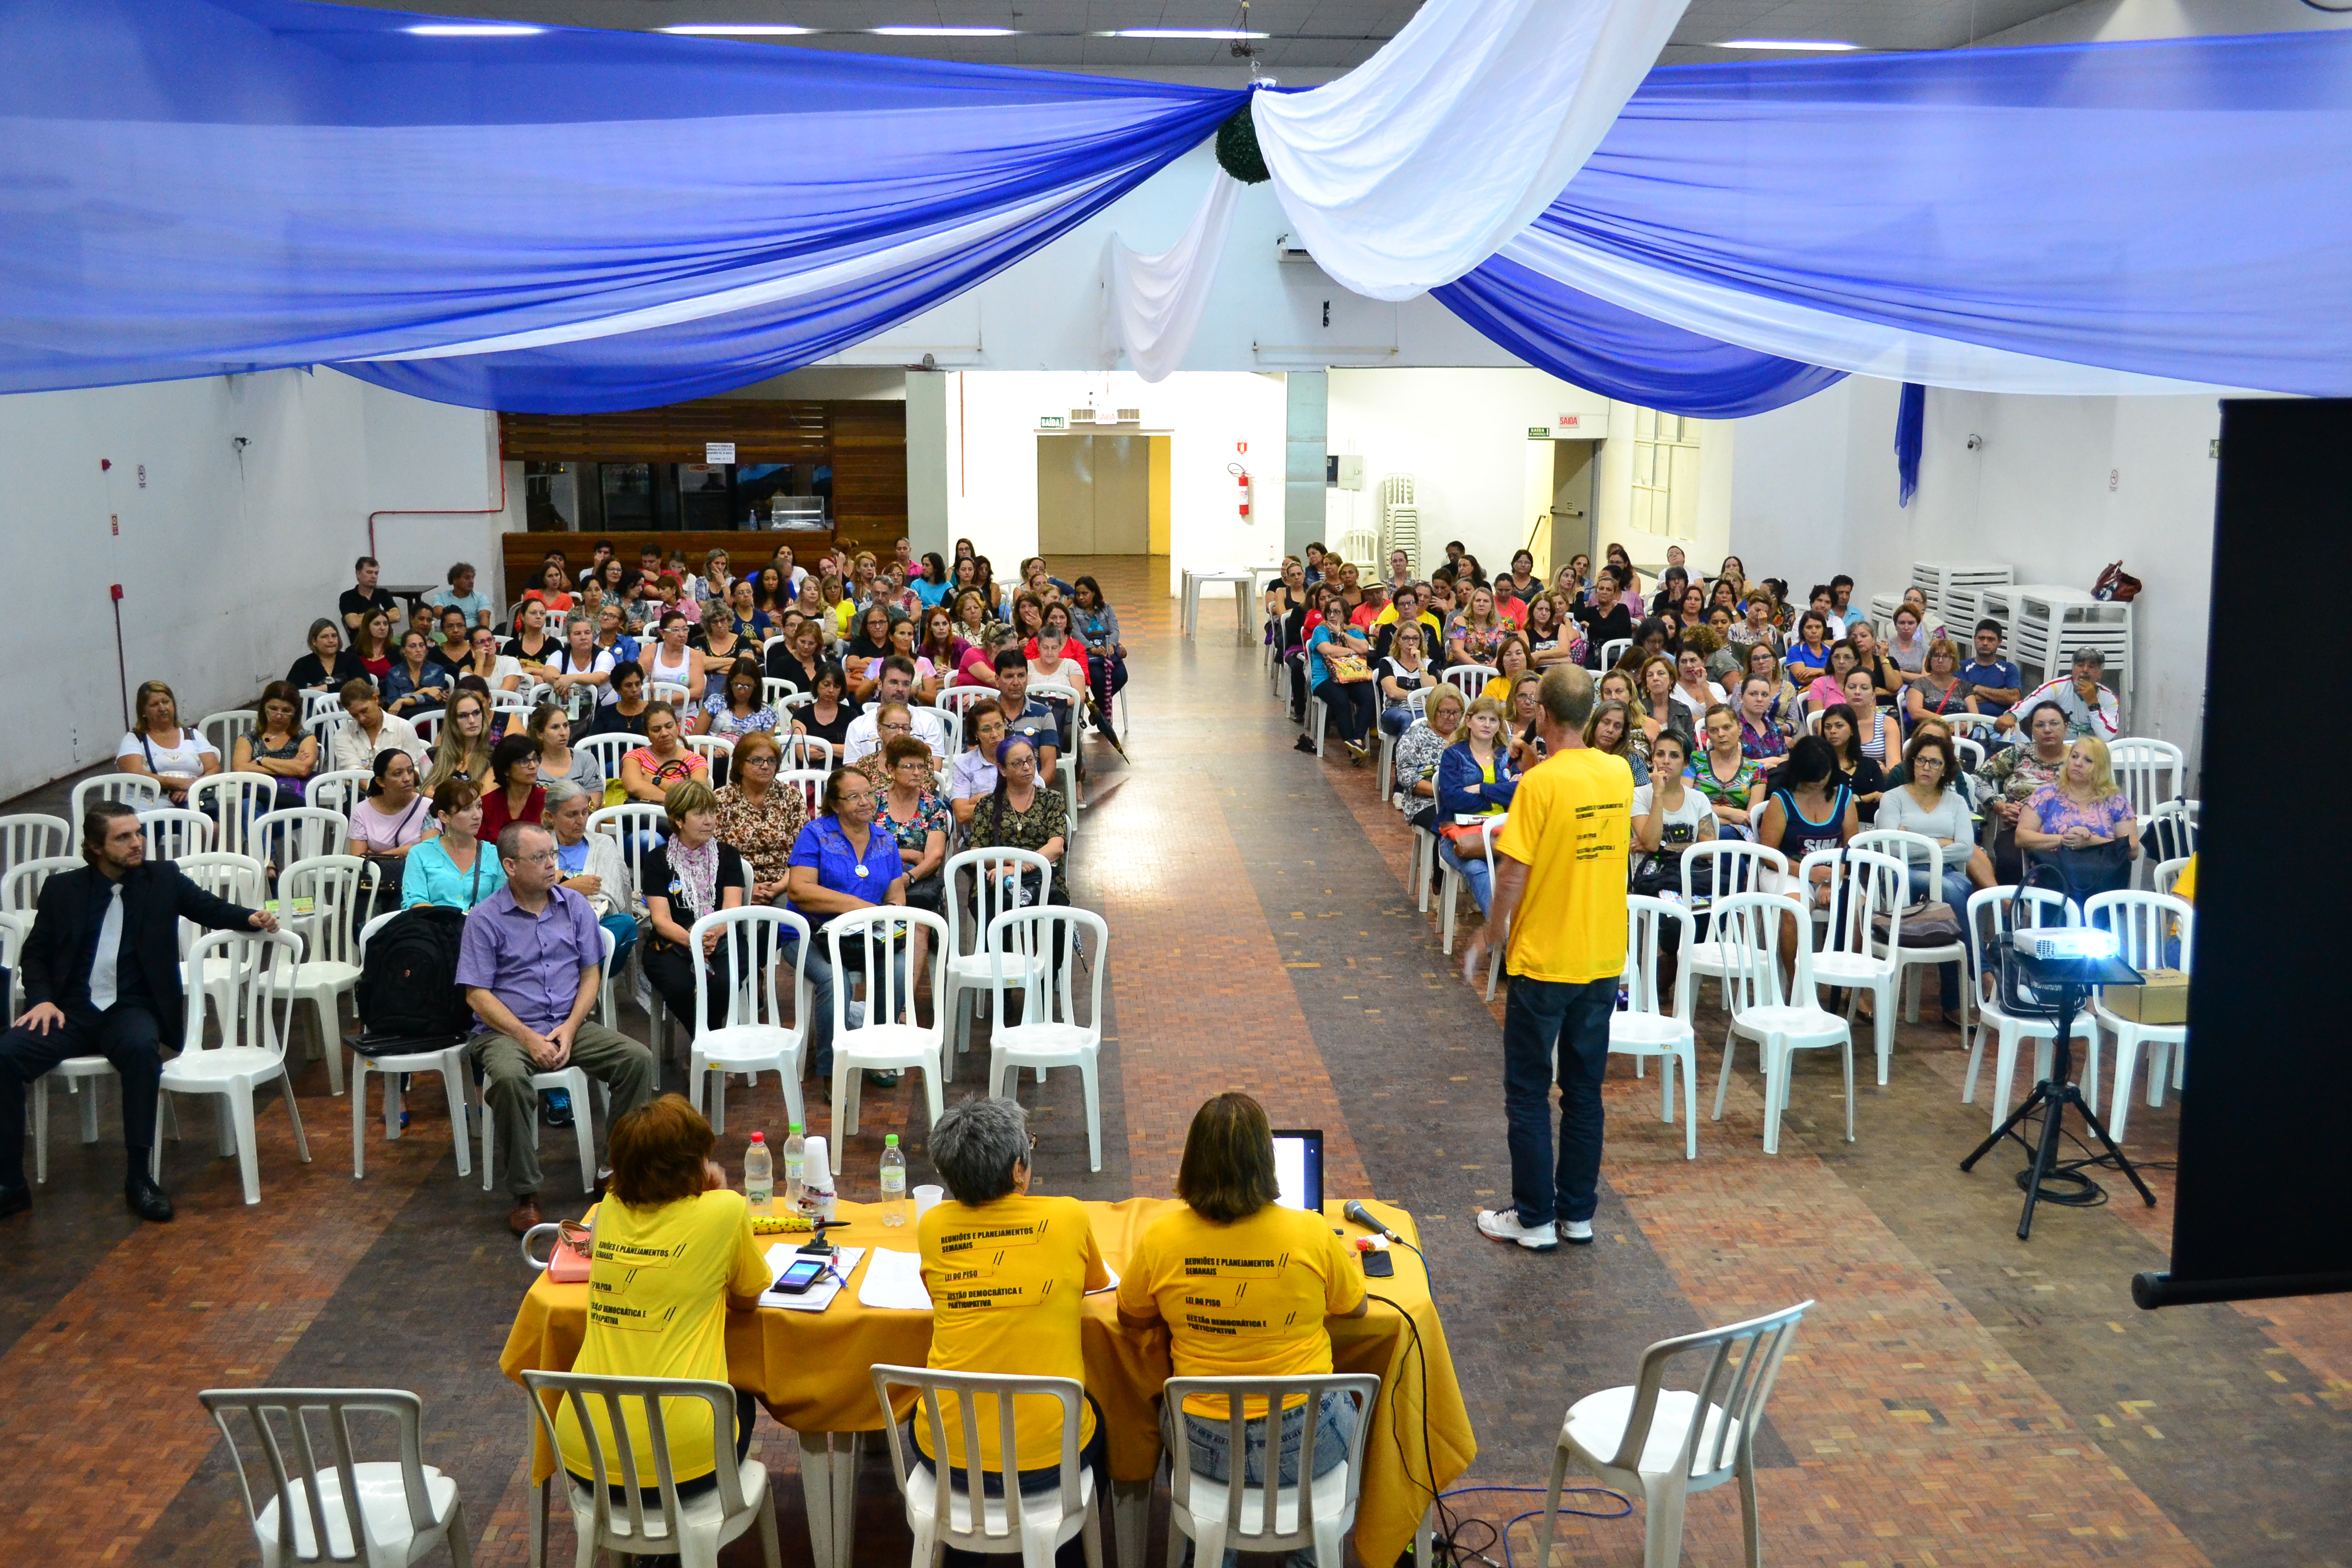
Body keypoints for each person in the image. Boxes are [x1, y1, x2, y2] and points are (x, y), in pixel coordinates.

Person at [0, 801, 280, 1222]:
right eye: (124, 837)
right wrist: (41, 999)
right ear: (95, 847)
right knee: (5, 1056)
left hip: (130, 1007)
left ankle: (140, 1177)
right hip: (69, 1011)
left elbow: (210, 908)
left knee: (140, 1051)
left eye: (138, 834)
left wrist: (254, 917)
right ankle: (10, 1184)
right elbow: (35, 954)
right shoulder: (63, 889)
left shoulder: (162, 878)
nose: (137, 844)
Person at [1117, 1092, 1367, 1502]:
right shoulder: (1312, 1232)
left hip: (1201, 1439)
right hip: (1309, 1436)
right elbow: (1356, 1309)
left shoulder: (1161, 1239)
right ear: (1265, 1161)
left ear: (1192, 1161)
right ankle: (1313, 1553)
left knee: (1204, 1481)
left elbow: (1130, 1317)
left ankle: (1216, 1548)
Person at [1469, 668, 1633, 1251]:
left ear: (1542, 716)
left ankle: (1534, 1219)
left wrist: (1489, 935)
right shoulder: (1616, 771)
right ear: (1591, 717)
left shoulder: (1538, 786)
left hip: (1545, 960)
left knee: (1529, 1091)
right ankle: (1577, 1215)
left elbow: (1513, 872)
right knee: (1585, 1092)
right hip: (1602, 955)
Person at [460, 821, 657, 1234]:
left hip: (568, 1024)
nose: (553, 864)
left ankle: (615, 1167)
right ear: (510, 866)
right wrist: (528, 1038)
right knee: (511, 1080)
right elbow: (477, 996)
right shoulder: (485, 919)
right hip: (506, 1032)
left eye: (552, 855)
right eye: (540, 858)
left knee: (636, 1059)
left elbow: (591, 974)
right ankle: (526, 1192)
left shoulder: (574, 906)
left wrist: (570, 1028)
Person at [915, 1096, 1111, 1489]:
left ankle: (960, 1546)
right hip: (1052, 1454)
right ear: (1018, 1171)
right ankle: (1067, 1549)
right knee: (1102, 1423)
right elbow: (1096, 1283)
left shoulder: (932, 1226)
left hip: (950, 1451)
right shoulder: (1069, 1215)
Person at [785, 767, 910, 1088]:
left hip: (864, 938)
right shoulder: (815, 834)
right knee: (835, 982)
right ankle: (832, 1067)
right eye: (853, 797)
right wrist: (860, 908)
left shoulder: (885, 840)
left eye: (868, 794)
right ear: (836, 804)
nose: (865, 802)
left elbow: (897, 896)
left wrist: (885, 915)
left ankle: (876, 1051)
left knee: (897, 969)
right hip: (813, 935)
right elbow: (800, 890)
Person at [1877, 729, 1991, 1021]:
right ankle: (1982, 974)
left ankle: (1957, 998)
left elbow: (1966, 850)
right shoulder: (1893, 798)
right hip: (1903, 877)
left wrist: (1914, 840)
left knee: (1953, 889)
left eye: (1935, 763)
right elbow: (1891, 848)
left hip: (1948, 873)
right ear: (1911, 762)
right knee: (1955, 894)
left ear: (1946, 768)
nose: (1926, 768)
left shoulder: (1956, 802)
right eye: (1920, 760)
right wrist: (1941, 844)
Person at [639, 780, 748, 1031]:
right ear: (678, 820)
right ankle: (709, 1044)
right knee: (679, 988)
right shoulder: (658, 859)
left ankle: (705, 1049)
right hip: (674, 941)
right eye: (700, 814)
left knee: (723, 984)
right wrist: (693, 940)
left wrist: (710, 936)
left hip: (721, 938)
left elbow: (732, 910)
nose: (709, 821)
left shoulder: (728, 855)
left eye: (712, 812)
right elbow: (661, 920)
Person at [544, 777, 635, 990]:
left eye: (585, 812)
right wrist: (570, 888)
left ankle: (571, 979)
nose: (581, 820)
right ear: (551, 816)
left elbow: (613, 897)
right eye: (571, 815)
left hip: (596, 928)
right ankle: (582, 981)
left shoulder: (603, 844)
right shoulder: (540, 847)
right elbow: (527, 896)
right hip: (552, 929)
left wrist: (556, 887)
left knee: (624, 925)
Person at [2017, 735, 2141, 889]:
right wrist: (2064, 840)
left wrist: (2092, 842)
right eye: (2074, 756)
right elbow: (2021, 837)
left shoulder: (2116, 801)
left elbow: (2133, 849)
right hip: (2052, 881)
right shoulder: (2046, 795)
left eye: (2088, 760)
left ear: (2101, 767)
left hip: (2103, 884)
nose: (2078, 763)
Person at [1435, 696, 1517, 925]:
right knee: (1477, 869)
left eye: (1493, 720)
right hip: (1462, 834)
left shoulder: (1507, 756)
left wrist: (1481, 789)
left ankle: (1522, 937)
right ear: (1469, 721)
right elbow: (1452, 799)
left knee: (1523, 869)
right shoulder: (1454, 755)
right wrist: (1497, 797)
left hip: (1501, 833)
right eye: (1481, 718)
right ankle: (1502, 939)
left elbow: (1521, 792)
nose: (1487, 724)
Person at [967, 735, 1070, 912]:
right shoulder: (988, 805)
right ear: (1003, 769)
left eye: (1030, 760)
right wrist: (1009, 862)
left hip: (1043, 877)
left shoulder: (1051, 799)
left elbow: (1056, 847)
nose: (1027, 767)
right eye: (1018, 763)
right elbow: (976, 855)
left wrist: (1019, 869)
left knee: (1054, 917)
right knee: (992, 912)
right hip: (998, 880)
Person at [1755, 737, 1858, 908]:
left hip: (1833, 870)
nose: (1818, 782)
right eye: (1812, 778)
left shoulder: (1844, 795)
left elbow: (1852, 848)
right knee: (1796, 908)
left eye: (1824, 775)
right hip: (1787, 870)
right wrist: (1808, 872)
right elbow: (1769, 854)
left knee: (1854, 906)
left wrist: (1832, 878)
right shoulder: (1782, 799)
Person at [876, 736, 949, 974]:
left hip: (918, 884)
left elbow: (934, 857)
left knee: (918, 924)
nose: (917, 772)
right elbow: (861, 849)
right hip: (876, 880)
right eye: (908, 766)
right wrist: (909, 853)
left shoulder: (933, 807)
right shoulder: (873, 802)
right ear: (891, 769)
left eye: (921, 766)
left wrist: (909, 878)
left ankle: (903, 1006)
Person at [710, 732, 804, 904]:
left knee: (785, 916)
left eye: (771, 760)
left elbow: (803, 853)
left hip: (784, 884)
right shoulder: (721, 799)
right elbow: (713, 855)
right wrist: (747, 888)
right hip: (733, 886)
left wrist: (779, 886)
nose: (766, 766)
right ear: (740, 766)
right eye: (757, 760)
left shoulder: (792, 797)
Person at [402, 778, 506, 912]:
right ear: (444, 816)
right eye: (466, 809)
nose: (477, 815)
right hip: (433, 928)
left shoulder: (494, 854)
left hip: (480, 929)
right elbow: (415, 903)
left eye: (479, 806)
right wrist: (454, 918)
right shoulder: (419, 854)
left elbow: (501, 904)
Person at [115, 679, 220, 807]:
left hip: (189, 801)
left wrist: (193, 786)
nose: (162, 708)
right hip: (148, 808)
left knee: (209, 825)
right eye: (154, 705)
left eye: (166, 702)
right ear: (143, 712)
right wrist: (179, 784)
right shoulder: (134, 740)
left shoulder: (193, 735)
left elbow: (214, 768)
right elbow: (136, 775)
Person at [1631, 730, 1714, 883]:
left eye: (1674, 756)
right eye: (1660, 754)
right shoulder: (1639, 795)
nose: (1666, 761)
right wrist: (1658, 794)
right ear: (1653, 759)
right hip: (1650, 879)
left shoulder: (1699, 798)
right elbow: (1651, 843)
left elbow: (1709, 850)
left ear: (1686, 763)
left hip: (1690, 876)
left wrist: (1664, 846)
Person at [1305, 587, 1377, 762]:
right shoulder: (1320, 631)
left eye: (1337, 612)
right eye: (1329, 612)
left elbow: (1365, 649)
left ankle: (1356, 740)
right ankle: (1354, 751)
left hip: (1352, 676)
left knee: (1369, 696)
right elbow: (1327, 650)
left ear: (1345, 615)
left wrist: (1341, 634)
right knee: (1341, 699)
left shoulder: (1353, 632)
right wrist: (1351, 650)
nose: (1332, 616)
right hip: (1325, 679)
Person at [226, 680, 315, 811]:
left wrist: (261, 761)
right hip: (258, 797)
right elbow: (240, 769)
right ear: (264, 708)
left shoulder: (306, 737)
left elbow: (303, 770)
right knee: (247, 806)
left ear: (295, 712)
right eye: (273, 709)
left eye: (286, 711)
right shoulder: (249, 738)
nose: (279, 715)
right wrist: (290, 766)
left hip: (292, 800)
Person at [841, 657, 948, 766]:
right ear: (880, 685)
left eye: (906, 684)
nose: (900, 689)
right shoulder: (858, 726)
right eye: (894, 683)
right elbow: (852, 773)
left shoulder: (928, 721)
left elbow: (934, 769)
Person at [2001, 648, 2121, 741]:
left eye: (2091, 667)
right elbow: (2033, 701)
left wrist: (2093, 703)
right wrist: (2012, 716)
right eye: (2080, 665)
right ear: (2073, 669)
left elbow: (2107, 736)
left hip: (2091, 754)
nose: (2085, 670)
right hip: (2059, 749)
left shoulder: (2110, 699)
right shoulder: (2058, 687)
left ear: (2099, 674)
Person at [351, 747, 433, 878]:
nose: (407, 778)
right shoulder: (362, 811)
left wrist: (377, 856)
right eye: (397, 774)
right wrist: (405, 851)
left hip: (419, 879)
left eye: (410, 771)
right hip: (377, 884)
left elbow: (430, 854)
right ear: (381, 781)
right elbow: (358, 863)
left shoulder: (428, 807)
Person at [1688, 704, 1765, 840]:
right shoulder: (1694, 761)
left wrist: (1711, 816)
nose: (1721, 734)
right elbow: (1685, 803)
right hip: (1696, 829)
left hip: (1738, 836)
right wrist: (1730, 814)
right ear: (1708, 735)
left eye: (1727, 727)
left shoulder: (1757, 770)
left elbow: (1750, 818)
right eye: (1713, 730)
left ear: (1740, 728)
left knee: (1726, 835)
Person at [987, 652, 1062, 785]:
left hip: (1033, 788)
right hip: (991, 789)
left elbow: (1049, 766)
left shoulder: (1043, 714)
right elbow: (974, 760)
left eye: (1021, 676)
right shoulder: (985, 714)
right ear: (997, 680)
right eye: (1009, 676)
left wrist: (1033, 791)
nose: (1016, 683)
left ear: (1028, 678)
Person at [1068, 575, 1126, 742]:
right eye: (1078, 594)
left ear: (1094, 593)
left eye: (1085, 593)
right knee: (1097, 678)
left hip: (1108, 649)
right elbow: (1077, 634)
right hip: (1089, 652)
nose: (1081, 597)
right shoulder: (1073, 612)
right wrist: (1091, 648)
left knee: (1121, 676)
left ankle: (1097, 708)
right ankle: (1102, 718)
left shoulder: (1107, 608)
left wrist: (1113, 645)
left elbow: (1115, 628)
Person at [328, 678, 425, 774]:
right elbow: (353, 772)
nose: (362, 719)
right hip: (358, 788)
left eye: (364, 711)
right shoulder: (344, 734)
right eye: (355, 715)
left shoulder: (403, 727)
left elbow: (415, 769)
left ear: (375, 699)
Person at [620, 702, 707, 806]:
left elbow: (697, 795)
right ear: (647, 733)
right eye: (656, 730)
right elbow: (634, 787)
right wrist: (680, 802)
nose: (665, 734)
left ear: (677, 726)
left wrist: (656, 780)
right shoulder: (634, 758)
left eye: (669, 727)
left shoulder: (696, 761)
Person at [1817, 702, 1888, 822]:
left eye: (1839, 726)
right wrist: (1864, 798)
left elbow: (1880, 801)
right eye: (1828, 727)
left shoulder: (1870, 766)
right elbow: (1824, 803)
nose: (1832, 731)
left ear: (1852, 730)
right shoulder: (1820, 767)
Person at [477, 732, 546, 845]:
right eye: (524, 761)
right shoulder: (486, 805)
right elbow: (478, 847)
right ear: (506, 770)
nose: (533, 766)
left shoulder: (548, 801)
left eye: (535, 759)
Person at [423, 688, 495, 795]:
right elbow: (425, 793)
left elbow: (483, 800)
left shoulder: (493, 758)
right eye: (463, 716)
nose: (472, 721)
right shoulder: (435, 755)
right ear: (452, 721)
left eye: (476, 713)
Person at [948, 706, 1009, 829]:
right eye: (986, 729)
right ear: (976, 733)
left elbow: (1035, 803)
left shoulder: (1021, 756)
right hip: (980, 836)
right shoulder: (963, 765)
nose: (995, 734)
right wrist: (1011, 802)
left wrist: (982, 800)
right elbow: (962, 814)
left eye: (999, 726)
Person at [1378, 623, 1439, 737]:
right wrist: (1419, 697)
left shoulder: (1428, 664)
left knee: (1424, 720)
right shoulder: (1387, 663)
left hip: (1422, 710)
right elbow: (1393, 692)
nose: (1411, 643)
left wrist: (1420, 663)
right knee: (1409, 719)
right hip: (1394, 710)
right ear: (1398, 641)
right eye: (1406, 638)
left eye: (1415, 638)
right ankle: (1406, 754)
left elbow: (1431, 692)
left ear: (1420, 641)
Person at [1904, 638, 1977, 731]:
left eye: (1946, 656)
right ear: (1930, 660)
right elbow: (1916, 713)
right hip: (1929, 734)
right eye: (1936, 656)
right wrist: (1948, 723)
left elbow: (1975, 717)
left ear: (1953, 660)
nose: (1940, 660)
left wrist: (1964, 726)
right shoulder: (1919, 684)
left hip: (1960, 736)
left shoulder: (1964, 686)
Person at [695, 657, 777, 741]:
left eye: (747, 687)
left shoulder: (767, 713)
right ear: (730, 681)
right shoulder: (715, 703)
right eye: (738, 685)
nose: (742, 692)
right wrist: (711, 751)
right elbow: (694, 741)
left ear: (756, 684)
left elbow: (768, 748)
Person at [530, 704, 602, 797]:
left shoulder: (586, 760)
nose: (563, 733)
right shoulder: (531, 764)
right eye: (555, 727)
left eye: (566, 725)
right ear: (540, 734)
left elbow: (594, 804)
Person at [383, 628, 453, 718]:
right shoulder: (393, 673)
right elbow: (393, 702)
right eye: (413, 646)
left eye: (421, 645)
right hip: (404, 718)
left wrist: (402, 701)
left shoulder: (437, 670)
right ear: (404, 651)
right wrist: (424, 691)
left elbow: (435, 698)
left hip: (430, 717)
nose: (419, 650)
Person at [288, 617, 370, 694]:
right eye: (325, 637)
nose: (331, 641)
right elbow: (292, 692)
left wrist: (324, 688)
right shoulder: (303, 664)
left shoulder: (352, 659)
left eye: (334, 636)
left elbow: (365, 685)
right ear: (314, 641)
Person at [1582, 697, 1650, 787]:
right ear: (1595, 724)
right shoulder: (1578, 753)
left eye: (1617, 726)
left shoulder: (1633, 760)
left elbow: (1643, 796)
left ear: (1623, 732)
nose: (1610, 730)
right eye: (1606, 723)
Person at [1958, 620, 2023, 712]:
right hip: (1966, 723)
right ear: (1975, 639)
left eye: (1991, 639)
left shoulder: (2008, 669)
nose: (1985, 643)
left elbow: (2014, 697)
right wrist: (2001, 694)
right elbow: (1957, 698)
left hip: (1998, 724)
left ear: (2000, 642)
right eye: (1981, 638)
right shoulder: (1962, 667)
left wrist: (1976, 688)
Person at [797, 663, 858, 750]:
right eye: (826, 685)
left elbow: (853, 751)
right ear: (817, 685)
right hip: (809, 764)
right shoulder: (801, 714)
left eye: (837, 687)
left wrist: (821, 747)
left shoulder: (851, 714)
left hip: (842, 764)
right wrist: (838, 750)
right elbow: (802, 753)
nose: (831, 690)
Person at [590, 662, 653, 740]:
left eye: (637, 684)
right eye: (628, 686)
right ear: (617, 689)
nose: (635, 690)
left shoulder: (654, 711)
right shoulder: (604, 714)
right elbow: (596, 745)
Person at [424, 560, 493, 632]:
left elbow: (485, 616)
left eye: (473, 578)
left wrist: (483, 634)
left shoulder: (481, 597)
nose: (472, 581)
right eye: (467, 578)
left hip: (473, 635)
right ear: (455, 581)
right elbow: (438, 613)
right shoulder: (441, 597)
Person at [456, 624, 524, 695]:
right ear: (472, 647)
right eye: (481, 642)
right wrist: (480, 663)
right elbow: (473, 697)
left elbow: (503, 696)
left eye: (490, 640)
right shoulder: (467, 670)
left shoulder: (510, 662)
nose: (488, 644)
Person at [340, 555, 397, 635]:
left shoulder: (383, 594)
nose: (374, 577)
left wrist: (363, 617)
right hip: (360, 644)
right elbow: (354, 623)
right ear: (358, 574)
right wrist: (384, 616)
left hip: (385, 644)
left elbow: (397, 616)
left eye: (376, 573)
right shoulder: (348, 597)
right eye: (369, 572)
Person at [1480, 635, 1533, 705]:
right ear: (1502, 662)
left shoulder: (1540, 682)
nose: (1514, 658)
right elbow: (1486, 712)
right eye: (1508, 655)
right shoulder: (1493, 686)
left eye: (1519, 653)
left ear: (1527, 658)